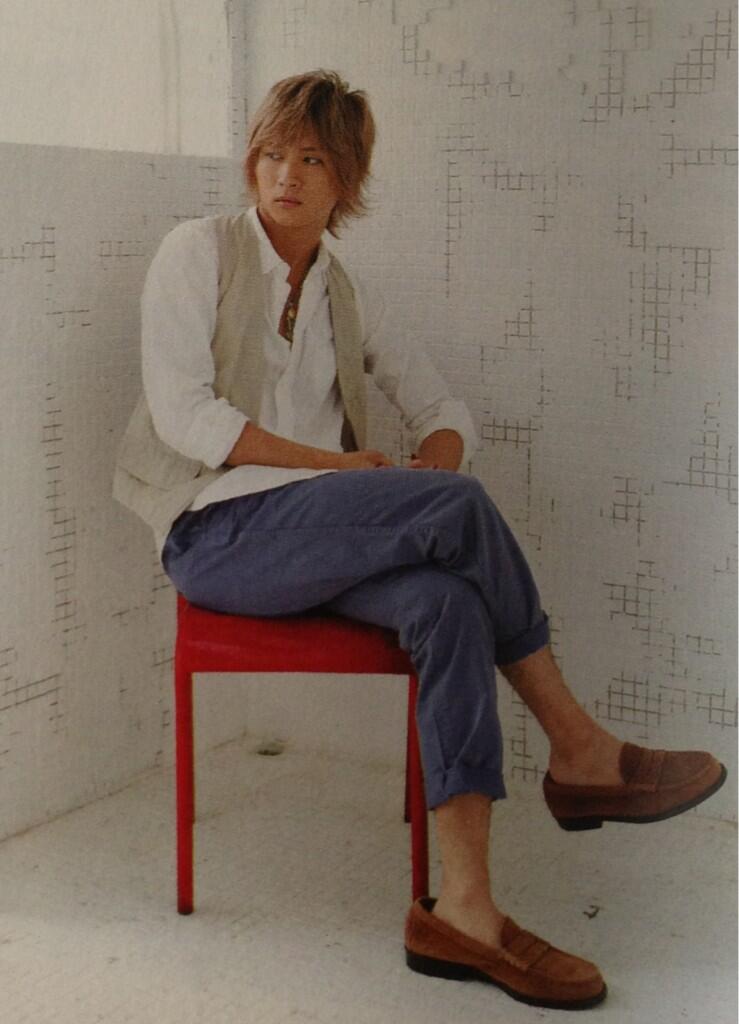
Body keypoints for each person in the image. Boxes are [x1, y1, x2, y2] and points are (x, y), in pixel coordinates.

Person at [113, 69, 726, 1010]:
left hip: (320, 538)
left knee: (447, 601)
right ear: (251, 161)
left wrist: (425, 464)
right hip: (217, 530)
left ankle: (464, 910)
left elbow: (442, 408)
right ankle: (577, 747)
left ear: (346, 181)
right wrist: (342, 471)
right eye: (271, 154)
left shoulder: (346, 294)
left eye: (312, 159)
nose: (285, 175)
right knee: (454, 509)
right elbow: (184, 415)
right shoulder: (197, 252)